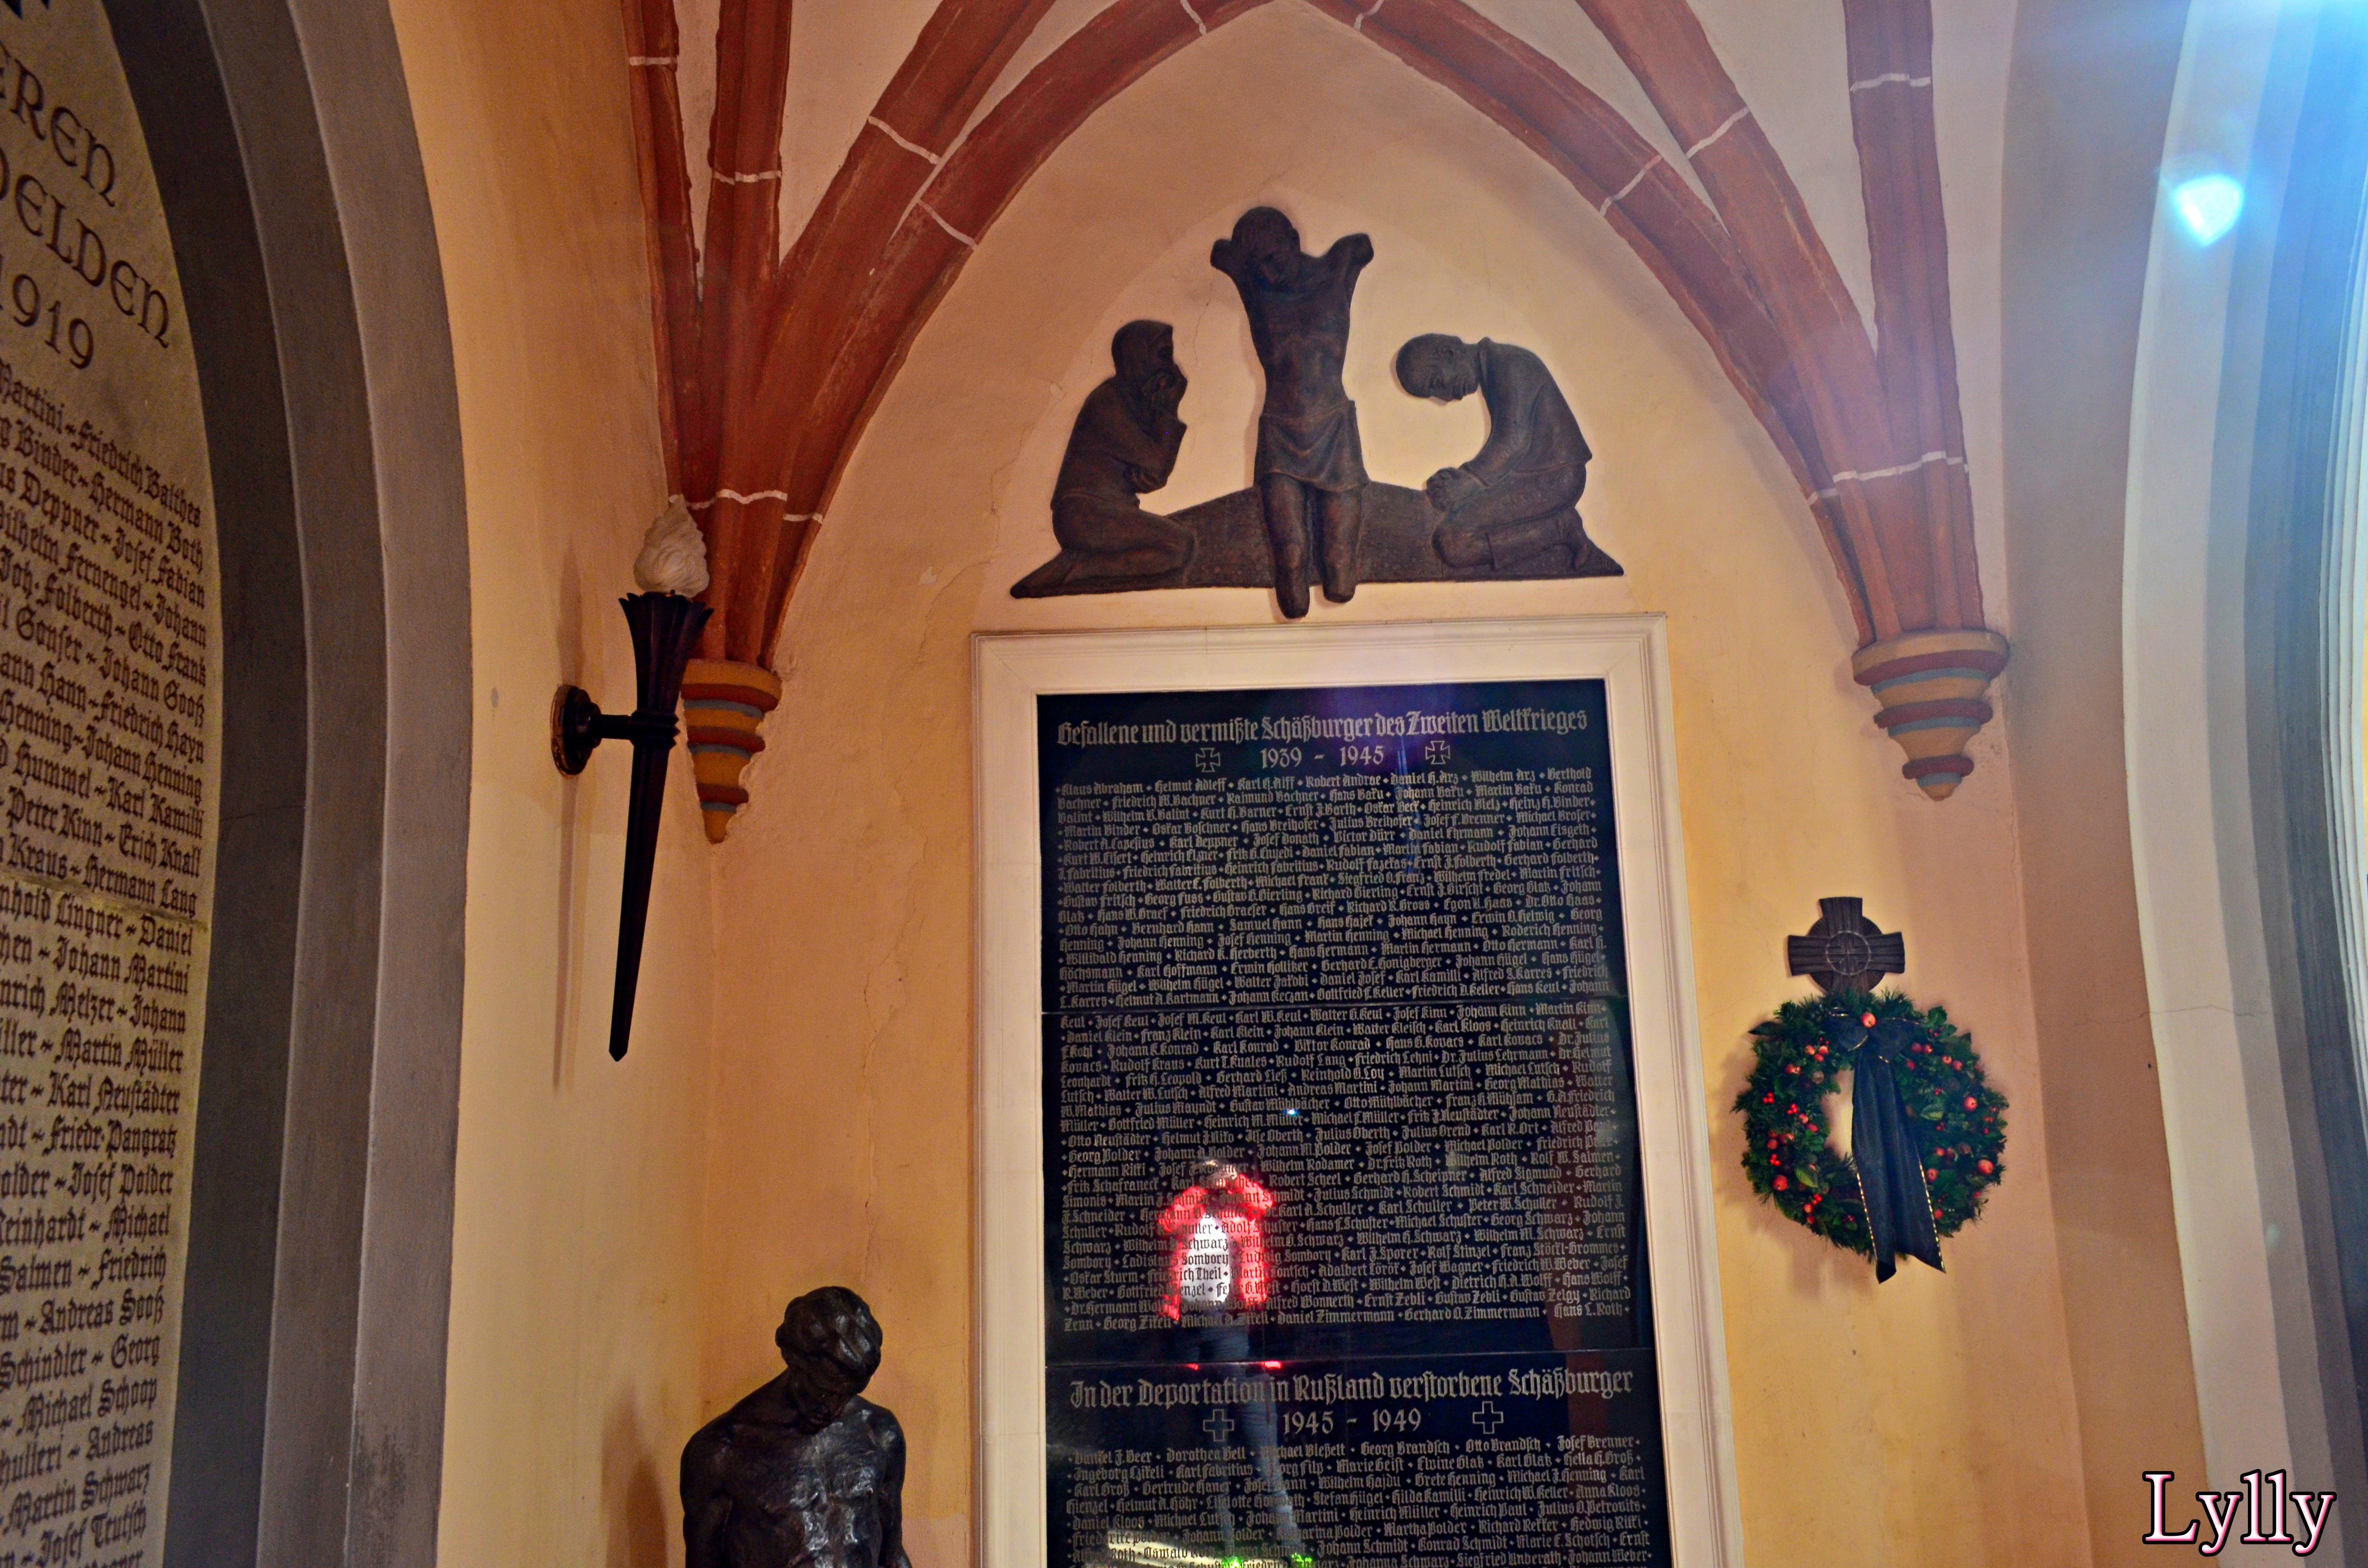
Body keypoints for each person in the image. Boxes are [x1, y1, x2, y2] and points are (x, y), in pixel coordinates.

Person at [1211, 208, 1374, 617]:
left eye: (1274, 258)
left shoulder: (1337, 269)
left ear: (1294, 241)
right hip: (1280, 435)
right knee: (1290, 559)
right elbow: (1220, 254)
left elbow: (1363, 246)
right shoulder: (1255, 285)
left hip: (1334, 429)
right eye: (1258, 266)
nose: (1268, 273)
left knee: (1341, 570)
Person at [681, 1286, 912, 1568]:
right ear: (794, 1360)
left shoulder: (879, 1433)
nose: (835, 1408)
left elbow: (893, 1556)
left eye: (847, 1394)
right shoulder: (722, 1452)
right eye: (825, 1392)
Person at [1158, 1160, 1305, 1566]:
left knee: (1262, 1455)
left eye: (1216, 1172)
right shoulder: (1192, 1207)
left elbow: (1265, 1203)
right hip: (1190, 1330)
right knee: (1214, 1451)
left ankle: (1295, 1552)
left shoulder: (1241, 1209)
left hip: (1231, 1326)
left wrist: (1233, 1178)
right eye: (1205, 1171)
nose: (1213, 1178)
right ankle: (1228, 1554)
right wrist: (1200, 1188)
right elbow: (1168, 1224)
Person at [1394, 333, 1602, 573]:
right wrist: (1461, 482)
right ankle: (1558, 528)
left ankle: (1560, 529)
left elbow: (1513, 443)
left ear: (1449, 353)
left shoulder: (1512, 364)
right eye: (1435, 394)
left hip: (1555, 480)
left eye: (1437, 382)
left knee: (1454, 543)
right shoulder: (1498, 366)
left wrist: (1468, 481)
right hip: (1533, 477)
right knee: (1453, 540)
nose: (1446, 398)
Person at [1047, 319, 1194, 587]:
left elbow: (1156, 474)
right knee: (1179, 544)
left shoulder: (1137, 404)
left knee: (1179, 545)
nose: (1169, 367)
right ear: (1137, 355)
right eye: (1163, 355)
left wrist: (1148, 472)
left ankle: (1085, 567)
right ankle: (1079, 569)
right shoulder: (1108, 402)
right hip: (1084, 514)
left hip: (1109, 511)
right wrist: (1168, 411)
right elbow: (1158, 462)